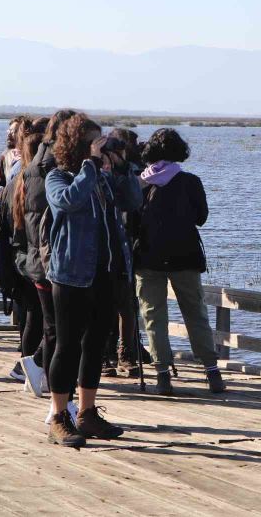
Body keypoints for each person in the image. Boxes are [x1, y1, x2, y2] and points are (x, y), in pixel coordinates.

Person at [44, 114, 141, 447]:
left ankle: (87, 413)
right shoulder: (57, 177)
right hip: (70, 274)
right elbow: (68, 200)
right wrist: (91, 165)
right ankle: (59, 417)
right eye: (92, 142)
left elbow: (133, 201)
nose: (98, 148)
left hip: (105, 273)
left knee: (95, 344)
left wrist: (124, 166)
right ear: (77, 146)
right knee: (67, 345)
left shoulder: (100, 178)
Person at [134, 128, 226, 396]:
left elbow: (130, 219)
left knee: (153, 316)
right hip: (185, 256)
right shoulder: (190, 182)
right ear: (179, 151)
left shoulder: (141, 183)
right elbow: (201, 218)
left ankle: (163, 376)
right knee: (195, 312)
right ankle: (212, 372)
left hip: (148, 257)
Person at [17, 110, 79, 423]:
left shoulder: (31, 166)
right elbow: (51, 217)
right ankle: (60, 405)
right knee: (61, 335)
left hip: (37, 257)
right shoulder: (54, 169)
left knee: (54, 330)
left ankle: (37, 368)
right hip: (51, 261)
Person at [0, 117, 49, 384]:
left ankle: (28, 368)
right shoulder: (33, 179)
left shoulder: (16, 177)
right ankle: (28, 368)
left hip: (19, 256)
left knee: (32, 314)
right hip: (34, 257)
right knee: (39, 316)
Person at [101, 127, 151, 376]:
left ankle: (126, 353)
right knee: (106, 305)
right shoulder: (95, 173)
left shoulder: (132, 172)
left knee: (127, 304)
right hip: (104, 248)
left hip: (125, 245)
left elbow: (133, 204)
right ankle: (105, 353)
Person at [0, 116, 30, 189]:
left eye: (14, 131)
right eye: (9, 131)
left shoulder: (33, 154)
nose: (9, 134)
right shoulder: (5, 156)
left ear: (23, 133)